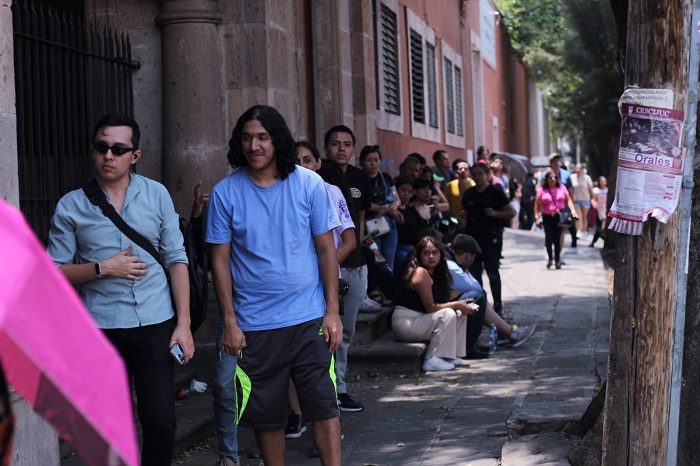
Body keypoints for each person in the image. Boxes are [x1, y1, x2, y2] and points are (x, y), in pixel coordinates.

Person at [47, 113, 194, 466]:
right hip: (101, 327)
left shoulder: (156, 194)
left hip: (155, 322)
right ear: (92, 150)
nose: (108, 156)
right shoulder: (72, 205)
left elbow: (176, 258)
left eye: (118, 149)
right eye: (101, 147)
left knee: (161, 422)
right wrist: (102, 268)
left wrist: (184, 324)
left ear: (135, 155)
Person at [207, 105, 343, 466]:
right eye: (247, 138)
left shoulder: (309, 184)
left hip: (309, 319)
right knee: (267, 416)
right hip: (255, 325)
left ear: (277, 140)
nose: (254, 146)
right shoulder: (225, 193)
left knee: (324, 407)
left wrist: (332, 311)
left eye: (263, 137)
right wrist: (230, 321)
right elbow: (219, 262)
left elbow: (327, 250)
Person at [324, 125, 369, 413]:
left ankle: (339, 387)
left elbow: (359, 218)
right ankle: (331, 390)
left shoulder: (360, 178)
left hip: (355, 263)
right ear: (325, 149)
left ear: (353, 149)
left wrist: (359, 249)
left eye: (346, 144)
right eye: (335, 143)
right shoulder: (319, 179)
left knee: (347, 330)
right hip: (329, 267)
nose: (341, 148)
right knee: (328, 333)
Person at [392, 236, 476, 371]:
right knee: (448, 313)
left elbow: (438, 302)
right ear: (419, 256)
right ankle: (432, 358)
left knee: (460, 313)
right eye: (426, 253)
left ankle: (450, 356)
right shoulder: (420, 272)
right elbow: (430, 307)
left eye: (434, 253)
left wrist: (457, 302)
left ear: (440, 254)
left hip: (420, 319)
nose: (431, 257)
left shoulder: (438, 273)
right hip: (406, 322)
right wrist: (456, 304)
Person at [448, 234, 537, 350]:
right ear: (466, 256)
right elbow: (476, 289)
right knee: (476, 297)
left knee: (479, 297)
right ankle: (508, 333)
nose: (474, 260)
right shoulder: (452, 267)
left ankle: (507, 332)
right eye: (473, 257)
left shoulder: (454, 264)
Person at [460, 162, 514, 316]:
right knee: (475, 274)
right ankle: (482, 306)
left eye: (480, 174)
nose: (477, 177)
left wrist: (494, 213)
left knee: (492, 271)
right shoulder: (468, 193)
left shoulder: (495, 192)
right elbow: (463, 210)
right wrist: (463, 214)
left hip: (491, 237)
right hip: (473, 238)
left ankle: (498, 305)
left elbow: (511, 212)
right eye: (474, 174)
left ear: (487, 175)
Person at [359, 144, 401, 271]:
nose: (373, 164)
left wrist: (393, 207)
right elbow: (363, 202)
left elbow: (396, 199)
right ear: (362, 161)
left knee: (389, 262)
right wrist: (383, 209)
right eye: (369, 160)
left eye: (376, 160)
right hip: (369, 226)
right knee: (375, 262)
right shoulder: (360, 178)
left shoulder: (386, 178)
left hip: (388, 223)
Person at [534, 169, 578, 269]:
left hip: (559, 216)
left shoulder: (561, 188)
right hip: (547, 216)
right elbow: (537, 204)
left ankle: (557, 260)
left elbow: (568, 200)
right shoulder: (542, 190)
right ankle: (550, 258)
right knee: (549, 238)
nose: (553, 179)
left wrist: (573, 211)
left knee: (557, 239)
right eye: (550, 177)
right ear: (546, 179)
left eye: (555, 177)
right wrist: (537, 217)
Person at [444, 158, 474, 233]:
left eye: (465, 169)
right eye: (460, 169)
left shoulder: (474, 186)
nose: (463, 171)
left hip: (469, 224)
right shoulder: (449, 186)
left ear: (469, 171)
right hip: (453, 224)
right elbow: (445, 203)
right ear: (456, 171)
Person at [571, 163, 594, 238]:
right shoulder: (572, 177)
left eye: (579, 168)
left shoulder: (587, 178)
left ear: (582, 169)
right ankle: (579, 230)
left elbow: (590, 190)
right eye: (576, 168)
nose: (578, 170)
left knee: (584, 217)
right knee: (578, 216)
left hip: (585, 199)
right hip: (576, 199)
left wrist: (593, 199)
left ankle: (584, 231)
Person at [590, 176, 608, 247]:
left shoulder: (608, 190)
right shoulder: (596, 190)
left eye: (604, 181)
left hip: (606, 210)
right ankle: (605, 240)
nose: (603, 183)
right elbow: (593, 199)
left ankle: (593, 243)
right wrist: (594, 203)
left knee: (601, 228)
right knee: (600, 228)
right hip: (599, 211)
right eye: (602, 181)